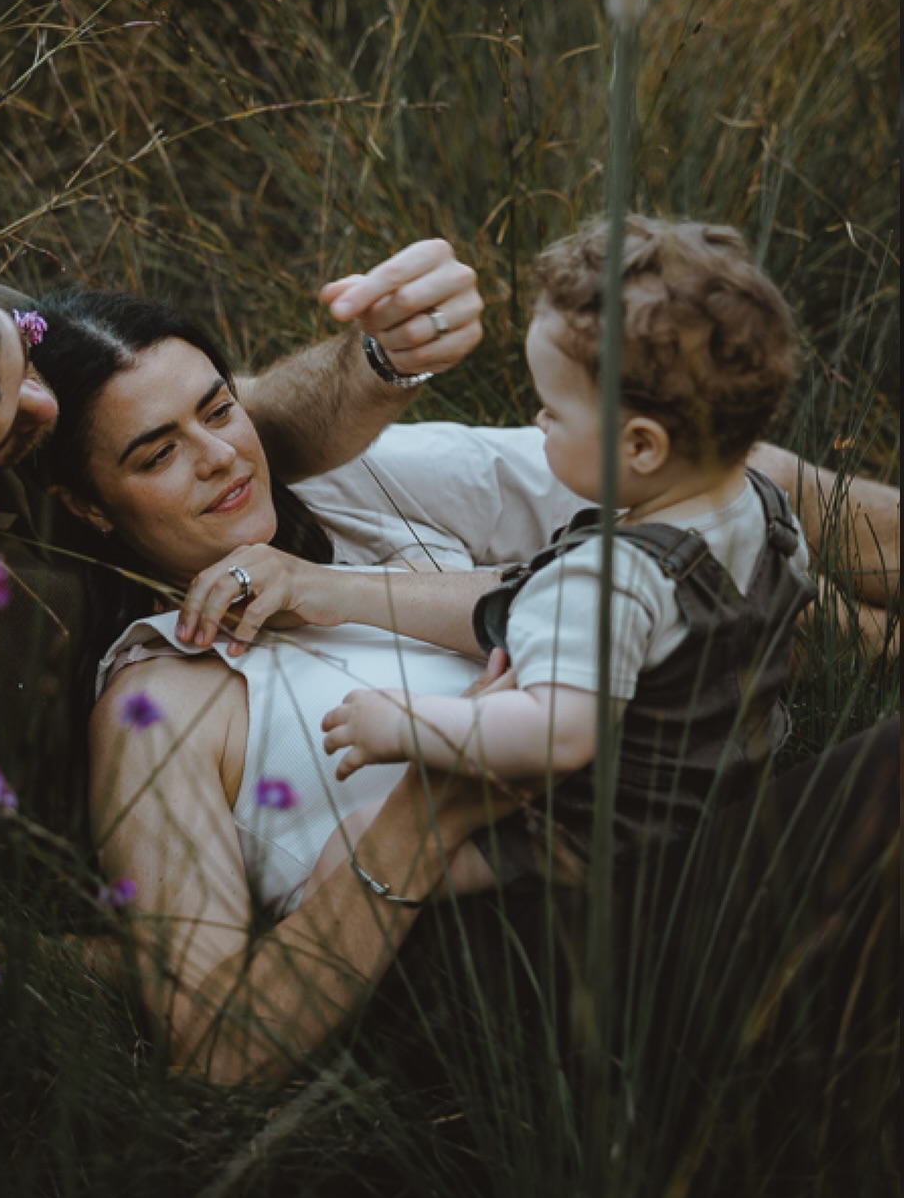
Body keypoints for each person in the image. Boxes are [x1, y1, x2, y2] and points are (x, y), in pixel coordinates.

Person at [31, 274, 897, 1085]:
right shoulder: (158, 703)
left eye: (220, 410)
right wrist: (426, 814)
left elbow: (628, 569)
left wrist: (330, 592)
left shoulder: (348, 505)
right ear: (89, 506)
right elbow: (212, 1045)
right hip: (530, 953)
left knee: (753, 492)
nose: (219, 455)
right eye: (157, 455)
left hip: (669, 830)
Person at [0, 235, 483, 811]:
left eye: (23, 354)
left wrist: (381, 359)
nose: (46, 409)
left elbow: (243, 422)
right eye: (6, 440)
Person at [320, 217, 818, 891]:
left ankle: (433, 984)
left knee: (353, 846)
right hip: (735, 779)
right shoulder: (767, 507)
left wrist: (400, 723)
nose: (537, 422)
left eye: (554, 409)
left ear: (640, 447)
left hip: (610, 843)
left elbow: (556, 737)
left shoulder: (605, 582)